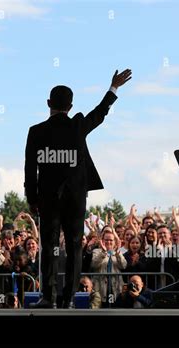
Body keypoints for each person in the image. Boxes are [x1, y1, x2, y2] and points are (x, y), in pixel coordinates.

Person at [24, 69, 132, 308]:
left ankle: (48, 297)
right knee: (74, 246)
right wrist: (113, 88)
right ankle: (69, 298)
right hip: (75, 199)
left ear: (48, 103)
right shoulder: (78, 126)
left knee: (49, 246)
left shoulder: (36, 132)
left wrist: (32, 199)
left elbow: (30, 169)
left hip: (48, 199)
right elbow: (100, 113)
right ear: (71, 106)